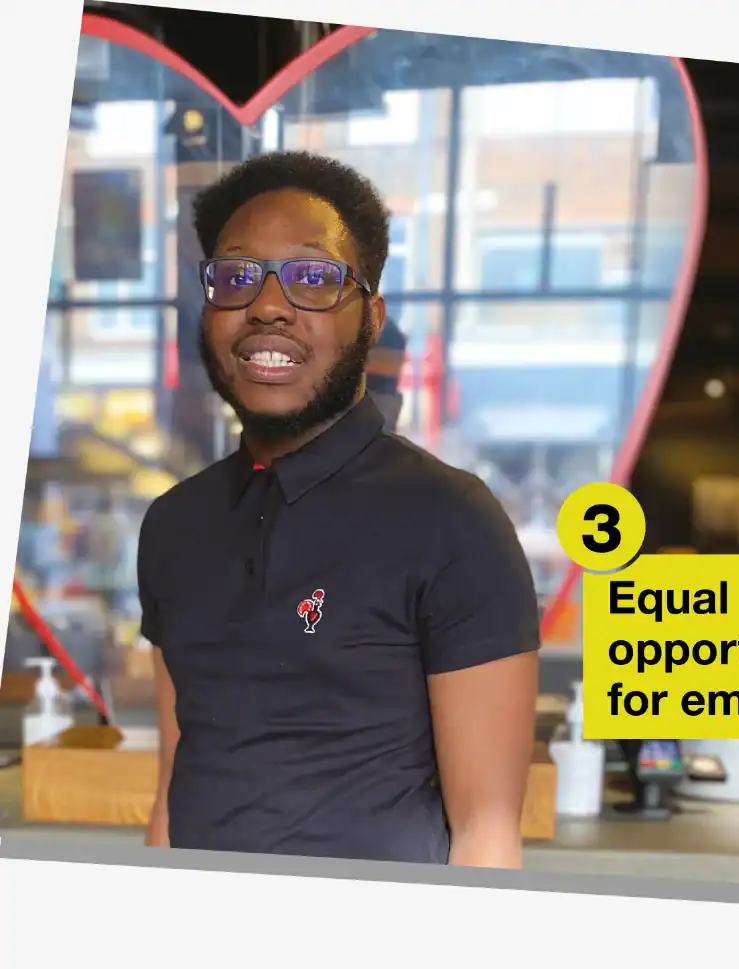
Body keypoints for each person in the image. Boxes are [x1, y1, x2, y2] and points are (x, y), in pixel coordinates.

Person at [140, 151, 540, 867]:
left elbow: (487, 831)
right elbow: (175, 784)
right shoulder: (174, 524)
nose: (267, 306)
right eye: (237, 277)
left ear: (371, 317)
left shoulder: (453, 521)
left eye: (312, 277)